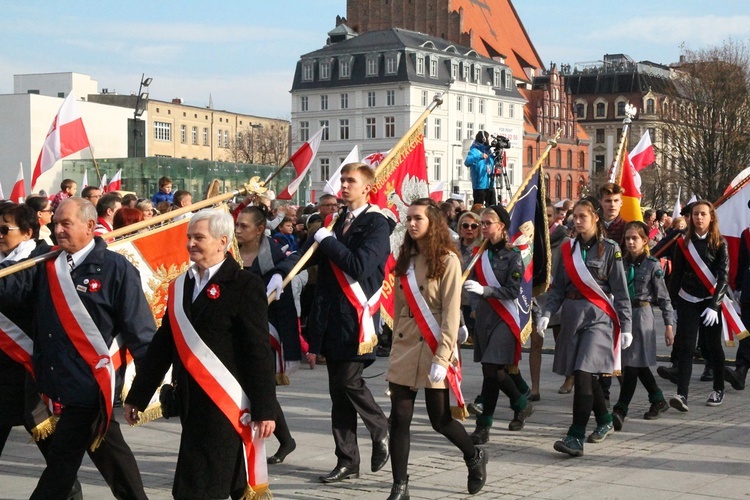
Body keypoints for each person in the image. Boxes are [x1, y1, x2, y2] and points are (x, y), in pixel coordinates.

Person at [0, 197, 155, 499]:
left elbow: (141, 332)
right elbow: (12, 291)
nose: (58, 230)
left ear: (90, 226)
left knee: (61, 466)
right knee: (110, 460)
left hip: (94, 387)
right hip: (60, 385)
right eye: (55, 223)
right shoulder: (46, 265)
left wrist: (144, 391)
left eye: (65, 224)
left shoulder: (115, 269)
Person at [124, 210, 276, 499]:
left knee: (200, 485)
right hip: (191, 399)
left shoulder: (245, 285)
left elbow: (258, 352)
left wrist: (265, 408)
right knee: (229, 479)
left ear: (221, 241)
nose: (191, 243)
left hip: (228, 401)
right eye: (189, 237)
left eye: (199, 238)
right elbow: (162, 345)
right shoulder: (181, 285)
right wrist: (138, 395)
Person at [385, 198, 487, 499]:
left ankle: (474, 456)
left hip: (435, 346)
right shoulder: (405, 257)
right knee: (399, 418)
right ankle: (399, 487)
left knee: (439, 419)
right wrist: (393, 349)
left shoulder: (448, 259)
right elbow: (400, 306)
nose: (412, 223)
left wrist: (444, 355)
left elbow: (451, 312)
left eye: (418, 218)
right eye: (409, 218)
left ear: (433, 222)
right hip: (406, 346)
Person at [302, 162, 391, 483]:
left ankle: (381, 427)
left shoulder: (377, 224)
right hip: (331, 319)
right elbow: (308, 255)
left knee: (349, 383)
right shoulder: (336, 220)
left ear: (367, 187)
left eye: (351, 180)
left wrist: (327, 240)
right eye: (342, 179)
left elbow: (359, 265)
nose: (344, 185)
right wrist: (276, 275)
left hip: (357, 318)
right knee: (339, 394)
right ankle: (347, 461)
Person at [538, 199, 632, 457]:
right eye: (574, 217)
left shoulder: (611, 249)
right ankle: (604, 419)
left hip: (598, 318)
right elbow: (557, 287)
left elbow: (621, 293)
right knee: (587, 375)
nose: (577, 221)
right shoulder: (568, 249)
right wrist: (547, 312)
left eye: (583, 216)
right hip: (571, 316)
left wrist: (626, 326)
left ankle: (575, 436)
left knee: (582, 373)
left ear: (595, 218)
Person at [235, 204, 300, 464]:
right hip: (235, 328)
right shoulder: (230, 252)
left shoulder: (274, 254)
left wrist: (280, 273)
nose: (237, 230)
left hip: (264, 330)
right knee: (254, 389)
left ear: (260, 229)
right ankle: (285, 440)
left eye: (244, 226)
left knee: (260, 387)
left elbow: (296, 258)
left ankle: (279, 440)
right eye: (236, 225)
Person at [463, 206, 534, 444]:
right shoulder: (478, 253)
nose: (482, 227)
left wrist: (486, 290)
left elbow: (513, 291)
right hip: (484, 316)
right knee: (494, 371)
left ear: (501, 226)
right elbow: (469, 282)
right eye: (481, 223)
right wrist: (474, 303)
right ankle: (520, 404)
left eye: (487, 223)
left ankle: (483, 426)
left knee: (491, 368)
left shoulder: (513, 254)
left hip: (504, 316)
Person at [667, 200, 730, 410]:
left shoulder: (720, 243)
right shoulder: (683, 244)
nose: (699, 218)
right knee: (686, 347)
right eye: (695, 214)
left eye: (703, 214)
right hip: (688, 300)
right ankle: (682, 395)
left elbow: (723, 277)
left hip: (710, 302)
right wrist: (673, 304)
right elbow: (675, 276)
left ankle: (718, 388)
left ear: (711, 217)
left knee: (713, 347)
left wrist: (715, 305)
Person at [611, 221, 673, 430]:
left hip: (642, 314)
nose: (630, 242)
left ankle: (621, 409)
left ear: (645, 240)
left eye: (634, 238)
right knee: (636, 363)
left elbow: (664, 297)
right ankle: (657, 399)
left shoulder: (652, 264)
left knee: (632, 365)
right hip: (623, 314)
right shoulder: (621, 263)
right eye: (627, 238)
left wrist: (669, 325)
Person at [531, 199, 571, 399]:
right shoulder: (530, 238)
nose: (545, 220)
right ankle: (535, 388)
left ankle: (569, 377)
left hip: (557, 297)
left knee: (561, 341)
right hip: (537, 297)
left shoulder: (564, 242)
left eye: (548, 215)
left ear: (555, 216)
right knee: (535, 343)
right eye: (542, 215)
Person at [457, 211, 482, 346]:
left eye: (474, 226)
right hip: (455, 301)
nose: (469, 229)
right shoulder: (451, 247)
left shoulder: (482, 249)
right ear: (460, 228)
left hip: (474, 302)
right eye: (465, 225)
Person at [465, 131, 495, 207]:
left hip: (489, 184)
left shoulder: (488, 151)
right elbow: (467, 162)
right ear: (483, 139)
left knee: (492, 208)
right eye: (487, 138)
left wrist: (497, 157)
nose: (489, 140)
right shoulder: (474, 151)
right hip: (479, 186)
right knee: (478, 208)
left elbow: (492, 162)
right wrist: (480, 156)